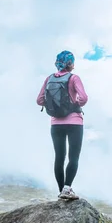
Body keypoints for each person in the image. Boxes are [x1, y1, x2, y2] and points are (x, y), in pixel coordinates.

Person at [36, 50, 88, 200]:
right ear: (70, 64)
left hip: (56, 124)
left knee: (59, 157)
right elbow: (84, 98)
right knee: (73, 157)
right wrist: (75, 104)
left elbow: (39, 100)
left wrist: (55, 106)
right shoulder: (74, 78)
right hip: (74, 123)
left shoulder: (49, 79)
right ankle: (67, 189)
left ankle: (61, 192)